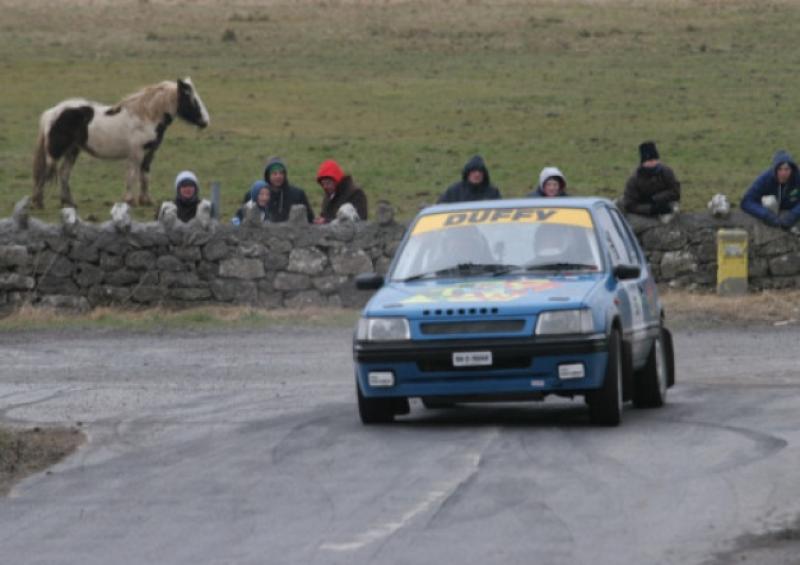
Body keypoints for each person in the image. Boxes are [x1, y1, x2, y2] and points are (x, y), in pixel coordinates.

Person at [741, 150, 800, 228]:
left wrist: (794, 214)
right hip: (770, 212)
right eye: (780, 169)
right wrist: (766, 215)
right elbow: (746, 201)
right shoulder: (766, 178)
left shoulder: (797, 177)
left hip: (792, 211)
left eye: (787, 169)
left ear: (792, 169)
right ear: (774, 170)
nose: (783, 173)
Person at [621, 142, 681, 216]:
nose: (653, 163)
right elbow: (629, 205)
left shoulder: (667, 172)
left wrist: (654, 199)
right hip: (641, 212)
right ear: (643, 162)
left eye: (655, 159)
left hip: (665, 205)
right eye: (649, 160)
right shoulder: (634, 179)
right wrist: (651, 209)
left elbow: (675, 192)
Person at [314, 159, 368, 223]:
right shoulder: (328, 197)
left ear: (337, 180)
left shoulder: (356, 194)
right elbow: (324, 216)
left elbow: (359, 221)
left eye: (328, 183)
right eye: (323, 184)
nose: (325, 187)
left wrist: (327, 221)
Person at [263, 156, 314, 223]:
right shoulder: (260, 195)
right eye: (274, 173)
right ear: (268, 176)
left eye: (281, 173)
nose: (278, 176)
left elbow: (310, 219)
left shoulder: (298, 194)